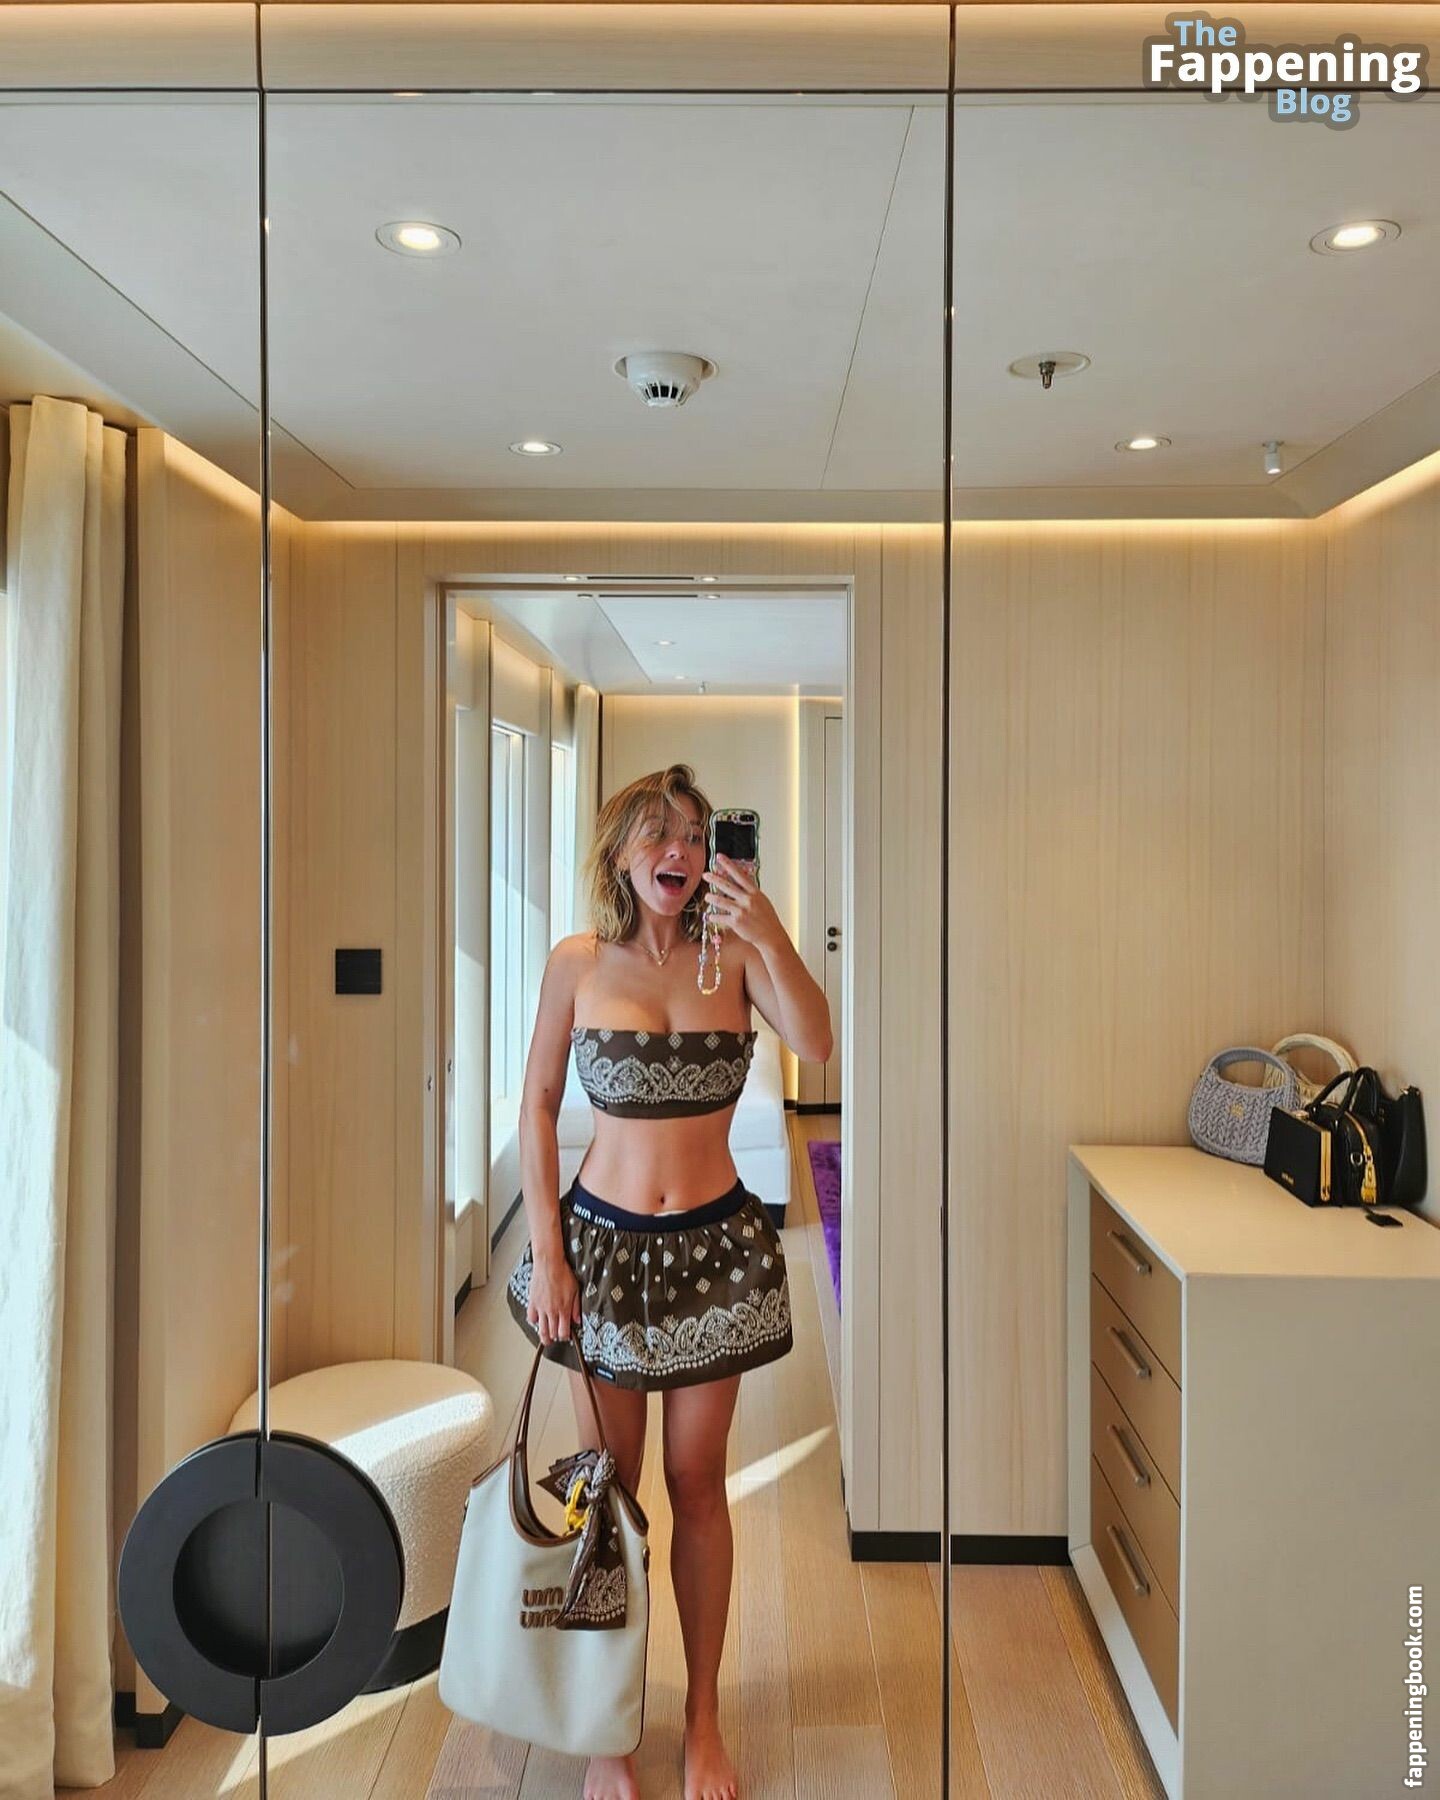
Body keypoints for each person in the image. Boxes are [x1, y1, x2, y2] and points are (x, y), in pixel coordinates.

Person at [505, 762, 833, 1800]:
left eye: (694, 835)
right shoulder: (577, 961)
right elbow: (537, 1104)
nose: (679, 852)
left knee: (697, 1486)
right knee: (608, 1494)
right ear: (619, 853)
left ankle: (701, 1721)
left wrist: (768, 928)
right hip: (600, 1256)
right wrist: (548, 1252)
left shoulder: (732, 954)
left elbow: (818, 1041)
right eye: (657, 833)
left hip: (712, 1255)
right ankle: (609, 1729)